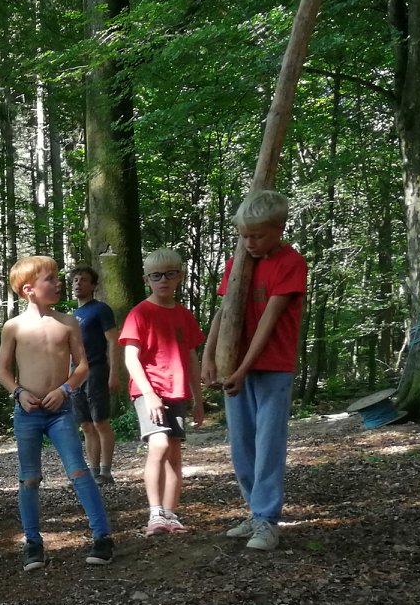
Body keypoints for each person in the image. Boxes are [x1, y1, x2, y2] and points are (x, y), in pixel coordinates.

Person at [201, 190, 306, 552]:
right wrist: (209, 356)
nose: (249, 242)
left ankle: (267, 518)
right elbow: (225, 310)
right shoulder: (239, 261)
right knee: (241, 443)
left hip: (272, 366)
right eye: (244, 236)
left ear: (279, 228)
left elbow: (270, 322)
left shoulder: (291, 262)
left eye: (257, 235)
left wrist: (244, 368)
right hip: (236, 369)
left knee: (268, 443)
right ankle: (254, 511)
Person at [0, 255, 114, 570]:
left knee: (79, 471)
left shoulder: (68, 322)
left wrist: (64, 390)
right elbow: (2, 370)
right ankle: (33, 544)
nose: (59, 282)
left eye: (57, 277)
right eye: (51, 278)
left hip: (61, 410)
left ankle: (102, 537)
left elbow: (83, 366)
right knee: (29, 477)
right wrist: (19, 393)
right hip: (28, 413)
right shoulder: (14, 326)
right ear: (29, 289)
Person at [120, 249, 204, 535]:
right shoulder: (139, 313)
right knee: (158, 445)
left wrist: (198, 399)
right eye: (156, 276)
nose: (163, 280)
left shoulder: (184, 315)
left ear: (179, 276)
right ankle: (155, 513)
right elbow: (131, 358)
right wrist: (150, 393)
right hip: (148, 391)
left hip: (177, 392)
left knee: (175, 453)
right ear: (147, 279)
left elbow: (192, 358)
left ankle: (170, 514)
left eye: (170, 274)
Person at [69, 266, 120, 484]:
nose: (78, 283)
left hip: (96, 370)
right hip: (76, 374)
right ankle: (93, 471)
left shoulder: (100, 310)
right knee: (86, 425)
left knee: (100, 422)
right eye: (75, 280)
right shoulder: (73, 316)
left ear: (93, 286)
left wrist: (114, 373)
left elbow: (113, 341)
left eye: (84, 280)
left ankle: (106, 471)